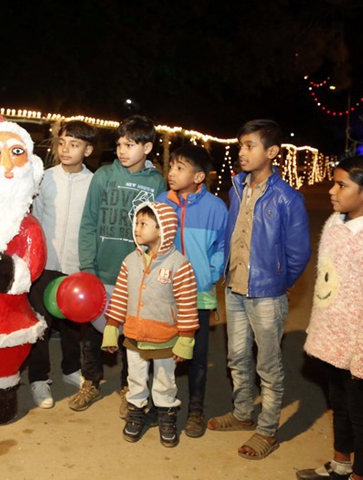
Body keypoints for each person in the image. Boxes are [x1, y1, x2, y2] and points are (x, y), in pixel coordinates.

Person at [207, 119, 311, 460]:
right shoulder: (237, 187)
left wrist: (277, 283)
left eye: (250, 146)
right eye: (240, 146)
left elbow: (298, 254)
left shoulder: (287, 198)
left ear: (272, 152)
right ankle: (241, 413)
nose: (242, 152)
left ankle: (267, 430)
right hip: (234, 288)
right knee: (237, 357)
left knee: (268, 364)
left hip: (267, 293)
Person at [297, 156, 363, 480]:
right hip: (331, 339)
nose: (332, 190)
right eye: (334, 182)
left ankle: (362, 474)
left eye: (342, 185)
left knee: (361, 414)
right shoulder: (334, 223)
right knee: (338, 405)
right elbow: (326, 286)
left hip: (358, 346)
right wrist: (318, 328)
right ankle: (341, 463)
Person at [72, 115, 167, 413]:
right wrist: (88, 267)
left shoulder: (156, 182)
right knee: (91, 334)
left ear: (148, 147)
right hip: (100, 272)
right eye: (119, 144)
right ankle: (91, 380)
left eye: (130, 144)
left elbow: (160, 231)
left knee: (132, 334)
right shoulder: (103, 176)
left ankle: (130, 385)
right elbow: (88, 222)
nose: (122, 150)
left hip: (136, 277)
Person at [101, 202, 198, 447]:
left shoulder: (179, 264)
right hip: (134, 332)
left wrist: (186, 337)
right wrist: (112, 326)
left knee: (165, 379)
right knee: (135, 376)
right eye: (136, 223)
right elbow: (121, 295)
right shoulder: (130, 261)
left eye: (143, 224)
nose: (137, 228)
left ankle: (166, 414)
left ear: (162, 229)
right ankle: (136, 411)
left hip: (165, 335)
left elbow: (187, 303)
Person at [155, 144, 228, 438]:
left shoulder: (216, 208)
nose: (171, 172)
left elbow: (221, 247)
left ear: (199, 177)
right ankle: (163, 407)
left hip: (198, 293)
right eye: (171, 166)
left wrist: (210, 273)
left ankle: (195, 410)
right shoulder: (161, 202)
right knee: (161, 351)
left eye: (180, 167)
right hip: (163, 293)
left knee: (197, 354)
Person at [27, 120, 98, 408]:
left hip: (75, 265)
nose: (66, 149)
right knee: (40, 325)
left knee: (72, 326)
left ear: (88, 149)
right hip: (44, 265)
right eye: (63, 142)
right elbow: (35, 219)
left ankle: (71, 369)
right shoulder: (44, 178)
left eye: (75, 144)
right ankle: (38, 379)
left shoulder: (94, 183)